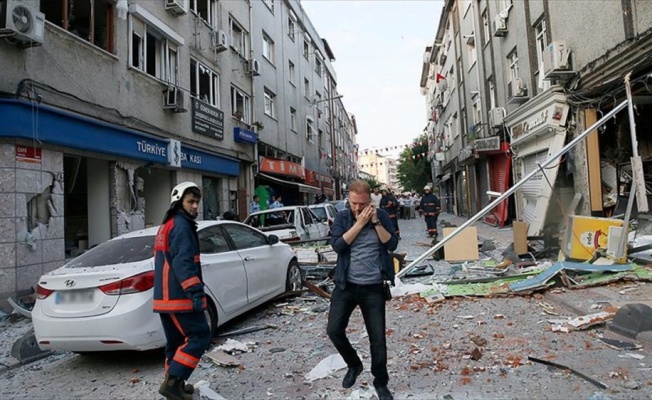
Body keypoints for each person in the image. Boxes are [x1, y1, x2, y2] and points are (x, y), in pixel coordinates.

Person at [327, 180, 398, 400]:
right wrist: (358, 223)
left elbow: (392, 245)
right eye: (354, 203)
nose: (358, 208)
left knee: (377, 339)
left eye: (362, 204)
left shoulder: (382, 216)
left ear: (370, 201)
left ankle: (381, 381)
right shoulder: (343, 217)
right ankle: (354, 364)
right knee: (334, 330)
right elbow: (338, 245)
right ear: (349, 199)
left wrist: (375, 223)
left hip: (373, 287)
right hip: (346, 285)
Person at [153, 182, 212, 400]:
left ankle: (175, 385)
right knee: (200, 335)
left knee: (176, 343)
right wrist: (196, 293)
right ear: (179, 201)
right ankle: (173, 383)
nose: (195, 206)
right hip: (178, 297)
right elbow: (184, 262)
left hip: (164, 297)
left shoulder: (168, 224)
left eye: (197, 202)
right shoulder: (181, 226)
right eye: (191, 202)